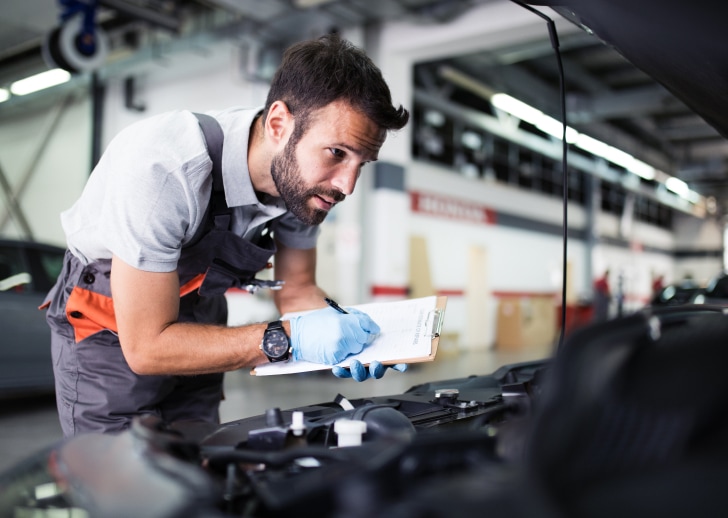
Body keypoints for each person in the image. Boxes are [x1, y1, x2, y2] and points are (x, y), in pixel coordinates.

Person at [42, 32, 410, 437]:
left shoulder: (303, 188)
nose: (346, 186)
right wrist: (289, 340)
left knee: (203, 462)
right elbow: (146, 347)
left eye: (363, 162)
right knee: (120, 480)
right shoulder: (163, 170)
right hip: (109, 321)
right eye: (337, 153)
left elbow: (298, 290)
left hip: (201, 310)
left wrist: (350, 334)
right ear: (278, 124)